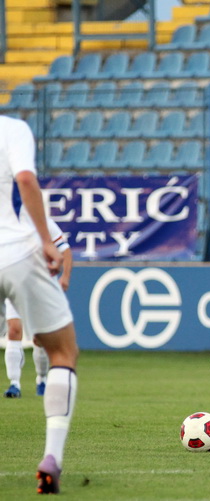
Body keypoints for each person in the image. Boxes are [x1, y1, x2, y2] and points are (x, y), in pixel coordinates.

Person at [0, 114, 79, 494]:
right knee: (63, 351)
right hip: (15, 251)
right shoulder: (12, 128)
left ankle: (30, 380)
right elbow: (26, 180)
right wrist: (47, 240)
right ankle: (51, 457)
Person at [4, 213, 73, 398]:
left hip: (40, 286)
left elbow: (65, 250)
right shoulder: (9, 224)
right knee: (14, 329)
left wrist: (65, 277)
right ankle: (14, 384)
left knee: (39, 338)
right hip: (16, 282)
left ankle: (41, 379)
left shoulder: (46, 223)